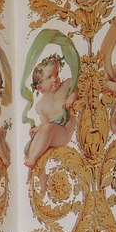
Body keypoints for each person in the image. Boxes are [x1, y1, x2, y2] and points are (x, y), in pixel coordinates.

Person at [24, 53, 77, 181]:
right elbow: (44, 123)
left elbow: (76, 88)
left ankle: (32, 158)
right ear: (39, 87)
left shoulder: (65, 86)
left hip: (64, 131)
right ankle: (40, 175)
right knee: (34, 142)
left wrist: (72, 96)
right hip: (51, 133)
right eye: (49, 77)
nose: (55, 79)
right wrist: (37, 130)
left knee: (48, 128)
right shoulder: (41, 106)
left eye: (56, 74)